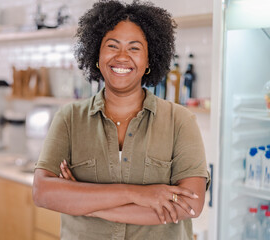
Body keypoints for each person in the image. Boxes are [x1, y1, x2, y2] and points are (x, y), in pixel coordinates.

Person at [32, 0, 210, 239]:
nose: (122, 57)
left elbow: (189, 205)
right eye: (112, 46)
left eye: (134, 48)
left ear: (149, 60)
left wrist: (87, 205)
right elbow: (42, 192)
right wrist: (136, 194)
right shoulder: (69, 119)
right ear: (97, 54)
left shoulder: (180, 121)